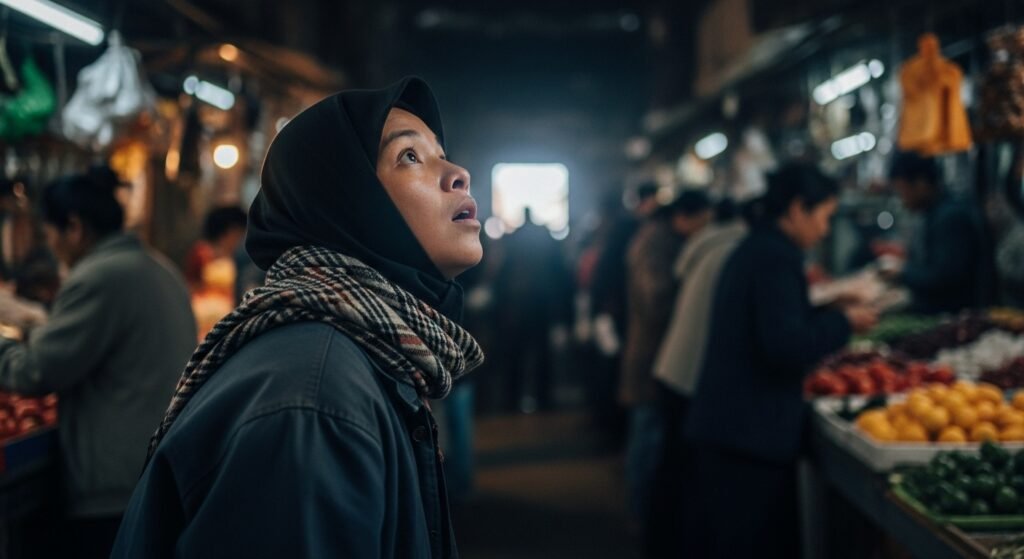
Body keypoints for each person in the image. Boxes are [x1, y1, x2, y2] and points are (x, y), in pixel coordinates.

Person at [112, 77, 484, 558]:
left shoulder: (361, 352)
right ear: (348, 200)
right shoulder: (315, 398)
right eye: (409, 156)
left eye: (441, 151)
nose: (457, 173)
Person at [0, 166, 196, 559]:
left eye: (50, 234)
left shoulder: (101, 276)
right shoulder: (158, 267)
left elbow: (35, 370)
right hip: (154, 472)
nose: (51, 245)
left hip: (112, 487)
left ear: (73, 227)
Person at [685, 164, 877, 558]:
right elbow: (784, 345)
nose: (825, 230)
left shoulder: (759, 248)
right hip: (746, 438)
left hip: (732, 430)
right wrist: (843, 322)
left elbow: (772, 325)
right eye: (823, 217)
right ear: (796, 209)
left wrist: (823, 311)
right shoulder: (775, 258)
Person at [645, 197, 748, 556]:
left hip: (673, 364)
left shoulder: (705, 246)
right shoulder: (736, 251)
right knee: (682, 472)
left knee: (670, 466)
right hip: (693, 372)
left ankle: (658, 540)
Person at [618, 189, 711, 546]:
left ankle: (645, 515)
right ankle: (641, 518)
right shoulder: (656, 244)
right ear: (685, 217)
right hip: (651, 358)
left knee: (649, 438)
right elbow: (656, 299)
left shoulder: (658, 239)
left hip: (654, 356)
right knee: (647, 441)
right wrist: (692, 295)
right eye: (702, 220)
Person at [882, 151, 991, 314]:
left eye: (902, 191)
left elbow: (944, 278)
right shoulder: (934, 213)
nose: (902, 200)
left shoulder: (951, 217)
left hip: (955, 317)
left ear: (921, 183)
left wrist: (902, 271)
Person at [184, 206, 248, 291]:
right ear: (229, 232)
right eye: (240, 233)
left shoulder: (237, 256)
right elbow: (191, 286)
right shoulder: (202, 253)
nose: (242, 238)